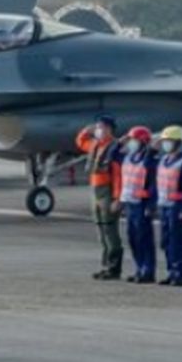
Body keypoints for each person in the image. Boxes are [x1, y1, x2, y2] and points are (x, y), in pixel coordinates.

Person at [76, 116, 125, 280]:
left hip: (108, 193)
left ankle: (115, 268)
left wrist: (117, 199)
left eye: (100, 127)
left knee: (110, 231)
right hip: (96, 192)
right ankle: (106, 266)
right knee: (101, 230)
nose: (98, 130)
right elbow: (80, 142)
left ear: (109, 129)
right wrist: (86, 131)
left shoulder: (114, 148)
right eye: (97, 128)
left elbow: (118, 175)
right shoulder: (95, 146)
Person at [118, 125, 158, 284]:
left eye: (134, 140)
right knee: (133, 239)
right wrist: (119, 143)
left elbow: (153, 184)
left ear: (142, 142)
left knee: (144, 239)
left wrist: (150, 206)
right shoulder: (129, 158)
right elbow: (112, 156)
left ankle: (148, 271)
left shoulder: (150, 160)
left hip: (142, 205)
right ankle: (139, 269)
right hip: (130, 204)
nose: (131, 143)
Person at [156, 126, 182, 287]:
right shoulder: (163, 161)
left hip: (177, 208)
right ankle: (171, 272)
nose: (166, 144)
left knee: (178, 241)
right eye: (164, 141)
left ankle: (180, 274)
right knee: (166, 241)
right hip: (164, 206)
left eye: (169, 141)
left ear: (178, 143)